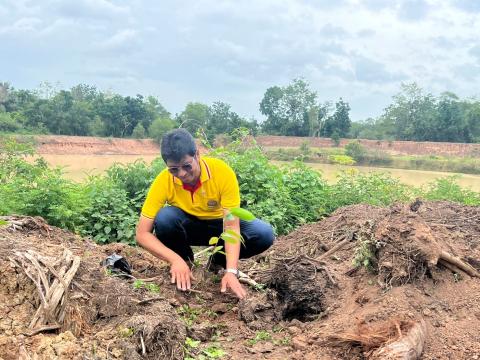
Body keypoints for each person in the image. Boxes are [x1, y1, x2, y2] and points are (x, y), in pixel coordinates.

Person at [135, 129, 275, 299]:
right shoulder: (163, 181)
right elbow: (142, 234)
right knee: (165, 218)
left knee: (263, 233)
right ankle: (186, 263)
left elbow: (231, 227)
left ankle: (217, 262)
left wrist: (232, 271)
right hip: (188, 225)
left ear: (197, 155)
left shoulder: (222, 173)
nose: (182, 174)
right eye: (174, 169)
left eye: (187, 166)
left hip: (220, 225)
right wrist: (175, 260)